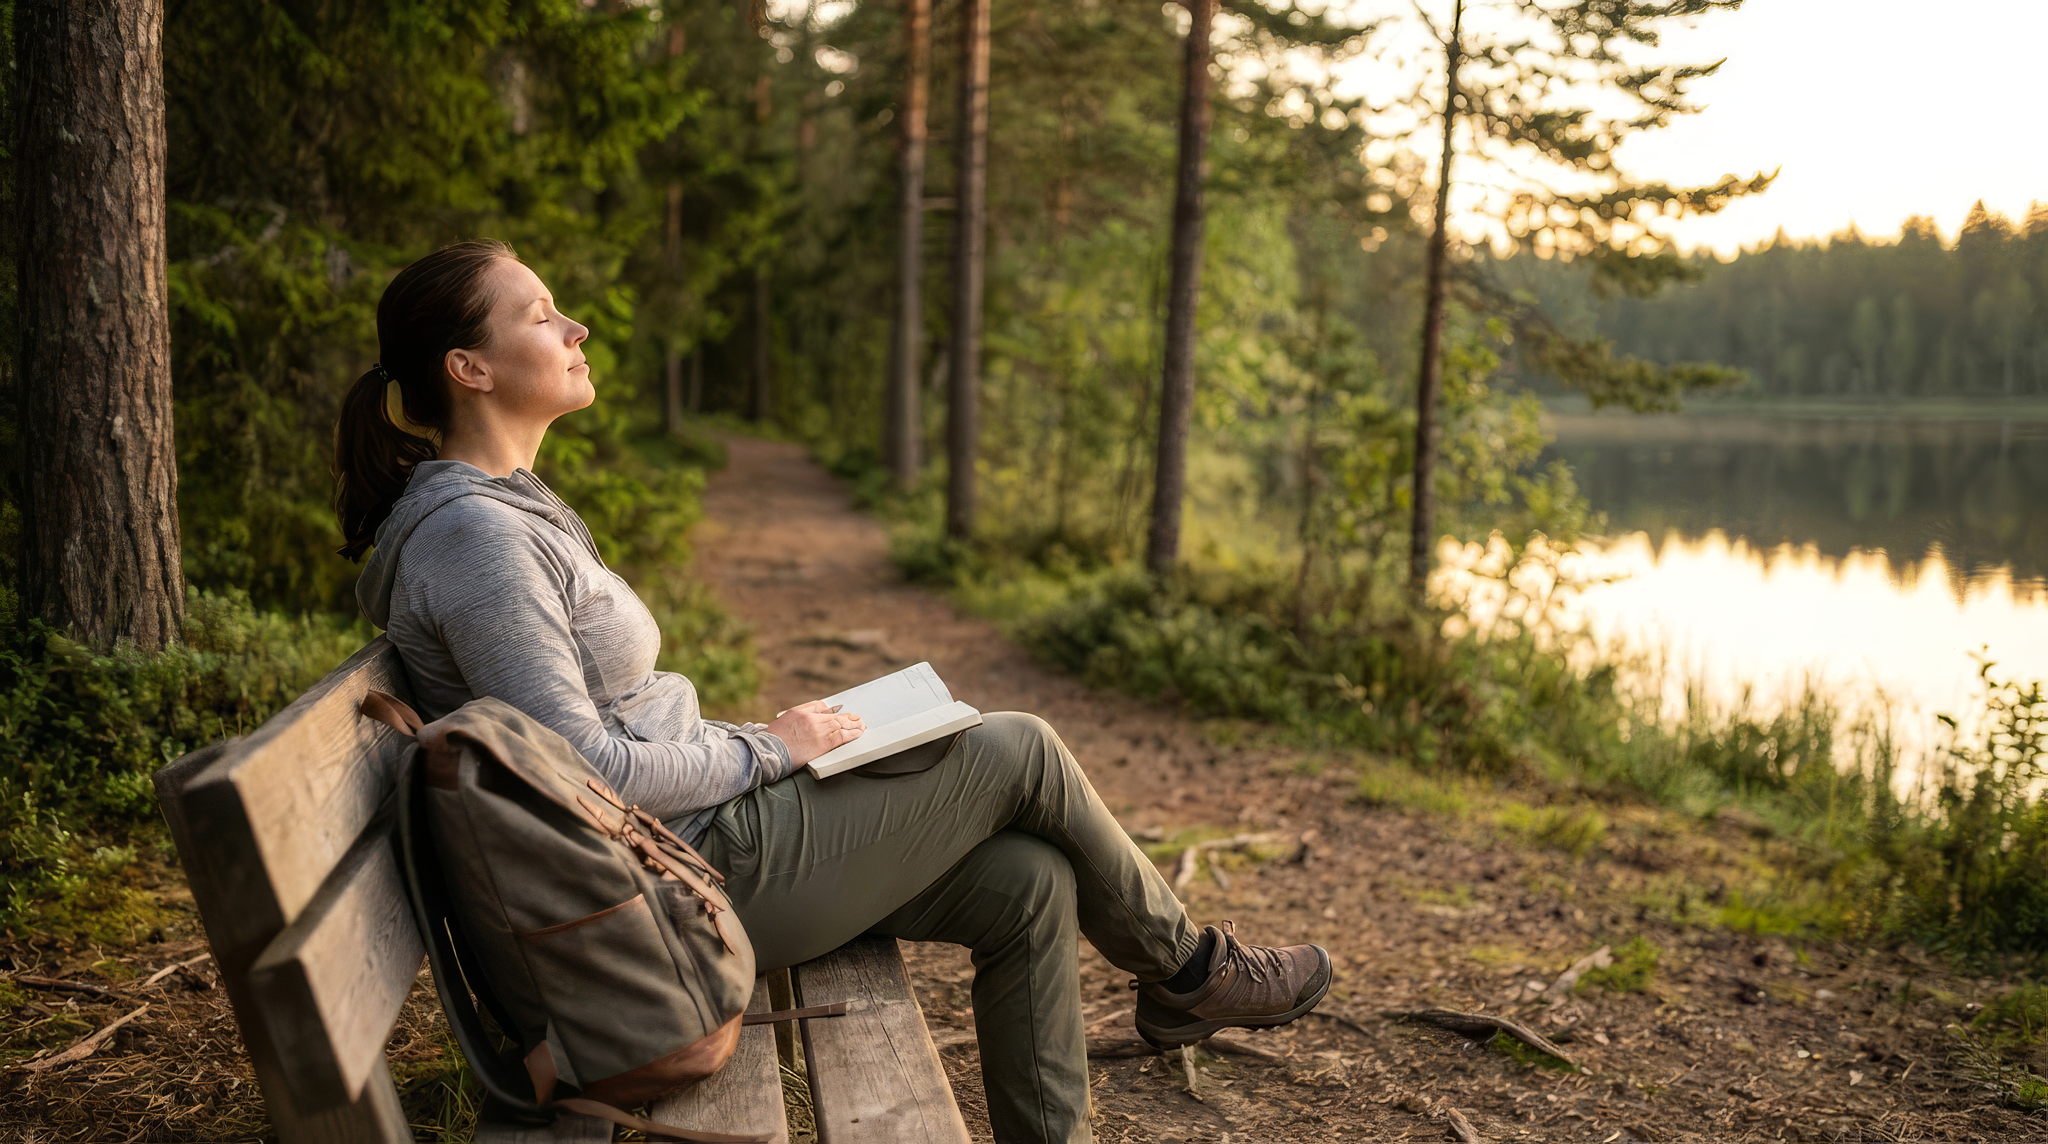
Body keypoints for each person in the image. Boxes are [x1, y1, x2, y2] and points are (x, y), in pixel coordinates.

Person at [335, 240, 1331, 1144]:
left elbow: (604, 732)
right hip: (665, 899)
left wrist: (770, 741)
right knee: (1017, 745)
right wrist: (776, 746)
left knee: (1030, 884)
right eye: (541, 313)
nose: (574, 326)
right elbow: (585, 770)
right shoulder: (476, 539)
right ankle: (1193, 973)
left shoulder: (510, 513)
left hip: (686, 857)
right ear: (468, 367)